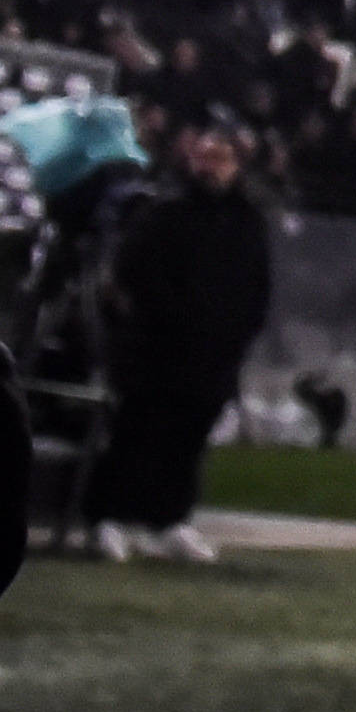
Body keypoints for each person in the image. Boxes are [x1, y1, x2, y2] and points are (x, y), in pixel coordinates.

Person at [91, 125, 271, 563]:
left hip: (213, 357)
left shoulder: (247, 221)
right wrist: (171, 320)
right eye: (204, 157)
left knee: (187, 442)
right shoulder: (165, 212)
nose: (210, 167)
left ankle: (169, 519)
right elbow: (136, 273)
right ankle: (111, 517)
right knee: (137, 433)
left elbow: (256, 289)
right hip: (157, 350)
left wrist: (233, 336)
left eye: (220, 158)